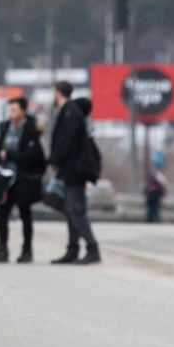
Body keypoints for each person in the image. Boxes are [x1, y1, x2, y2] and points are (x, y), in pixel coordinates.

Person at [0, 97, 46, 264]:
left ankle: (27, 250)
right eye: (10, 110)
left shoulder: (31, 130)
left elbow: (33, 157)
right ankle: (2, 249)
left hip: (24, 179)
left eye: (14, 110)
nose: (11, 114)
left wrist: (11, 155)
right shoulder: (5, 128)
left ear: (22, 111)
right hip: (5, 178)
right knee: (3, 214)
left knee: (25, 214)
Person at [48, 81, 102, 265]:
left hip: (75, 169)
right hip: (72, 168)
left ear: (57, 92)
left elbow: (66, 140)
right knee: (71, 209)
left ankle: (92, 248)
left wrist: (54, 160)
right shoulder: (71, 111)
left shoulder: (70, 112)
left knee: (76, 209)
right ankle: (72, 249)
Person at [145, 150, 168, 224]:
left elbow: (164, 185)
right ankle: (151, 219)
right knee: (152, 209)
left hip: (154, 195)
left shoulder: (157, 175)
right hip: (152, 195)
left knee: (154, 209)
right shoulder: (155, 175)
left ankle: (153, 219)